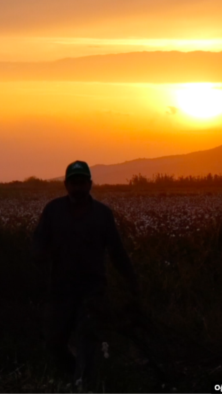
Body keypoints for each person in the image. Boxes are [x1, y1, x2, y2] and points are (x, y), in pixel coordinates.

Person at [32, 160, 139, 387]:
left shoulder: (102, 214)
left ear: (90, 184)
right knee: (55, 342)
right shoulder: (53, 211)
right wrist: (42, 257)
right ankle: (75, 376)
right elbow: (38, 244)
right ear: (66, 185)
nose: (78, 187)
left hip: (93, 290)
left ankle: (84, 384)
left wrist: (132, 280)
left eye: (82, 182)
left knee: (87, 339)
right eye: (74, 182)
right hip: (61, 289)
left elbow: (117, 251)